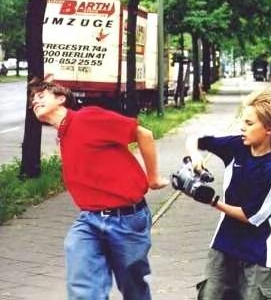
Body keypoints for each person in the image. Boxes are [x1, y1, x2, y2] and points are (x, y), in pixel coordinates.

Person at [29, 80, 168, 300]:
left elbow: (144, 134)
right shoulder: (63, 135)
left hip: (127, 219)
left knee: (133, 288)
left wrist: (153, 178)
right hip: (89, 221)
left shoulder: (87, 118)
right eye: (33, 99)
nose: (35, 100)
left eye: (41, 94)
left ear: (61, 98)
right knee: (83, 286)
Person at [186, 91, 271, 300]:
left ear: (269, 129)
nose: (242, 127)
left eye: (249, 123)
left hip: (258, 250)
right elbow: (194, 139)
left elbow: (249, 216)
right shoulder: (238, 146)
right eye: (242, 121)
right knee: (209, 295)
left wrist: (212, 201)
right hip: (224, 241)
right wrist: (195, 157)